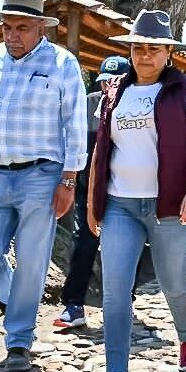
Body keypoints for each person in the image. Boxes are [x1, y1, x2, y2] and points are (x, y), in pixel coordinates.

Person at [0, 0, 87, 372]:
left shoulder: (62, 64)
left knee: (31, 259)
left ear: (40, 29)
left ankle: (18, 341)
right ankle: (20, 305)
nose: (12, 36)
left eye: (21, 28)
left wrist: (69, 180)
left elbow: (74, 125)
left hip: (42, 175)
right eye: (7, 27)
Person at [83, 10, 186, 372]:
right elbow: (102, 150)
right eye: (138, 47)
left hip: (172, 205)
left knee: (173, 282)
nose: (144, 55)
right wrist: (93, 202)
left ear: (168, 52)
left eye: (153, 48)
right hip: (121, 204)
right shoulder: (115, 92)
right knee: (115, 288)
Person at [54, 56, 131, 329]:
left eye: (116, 81)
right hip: (90, 188)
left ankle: (123, 304)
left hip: (126, 189)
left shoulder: (136, 109)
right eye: (104, 81)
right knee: (83, 243)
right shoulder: (86, 104)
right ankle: (73, 305)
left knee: (124, 248)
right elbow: (70, 143)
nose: (109, 86)